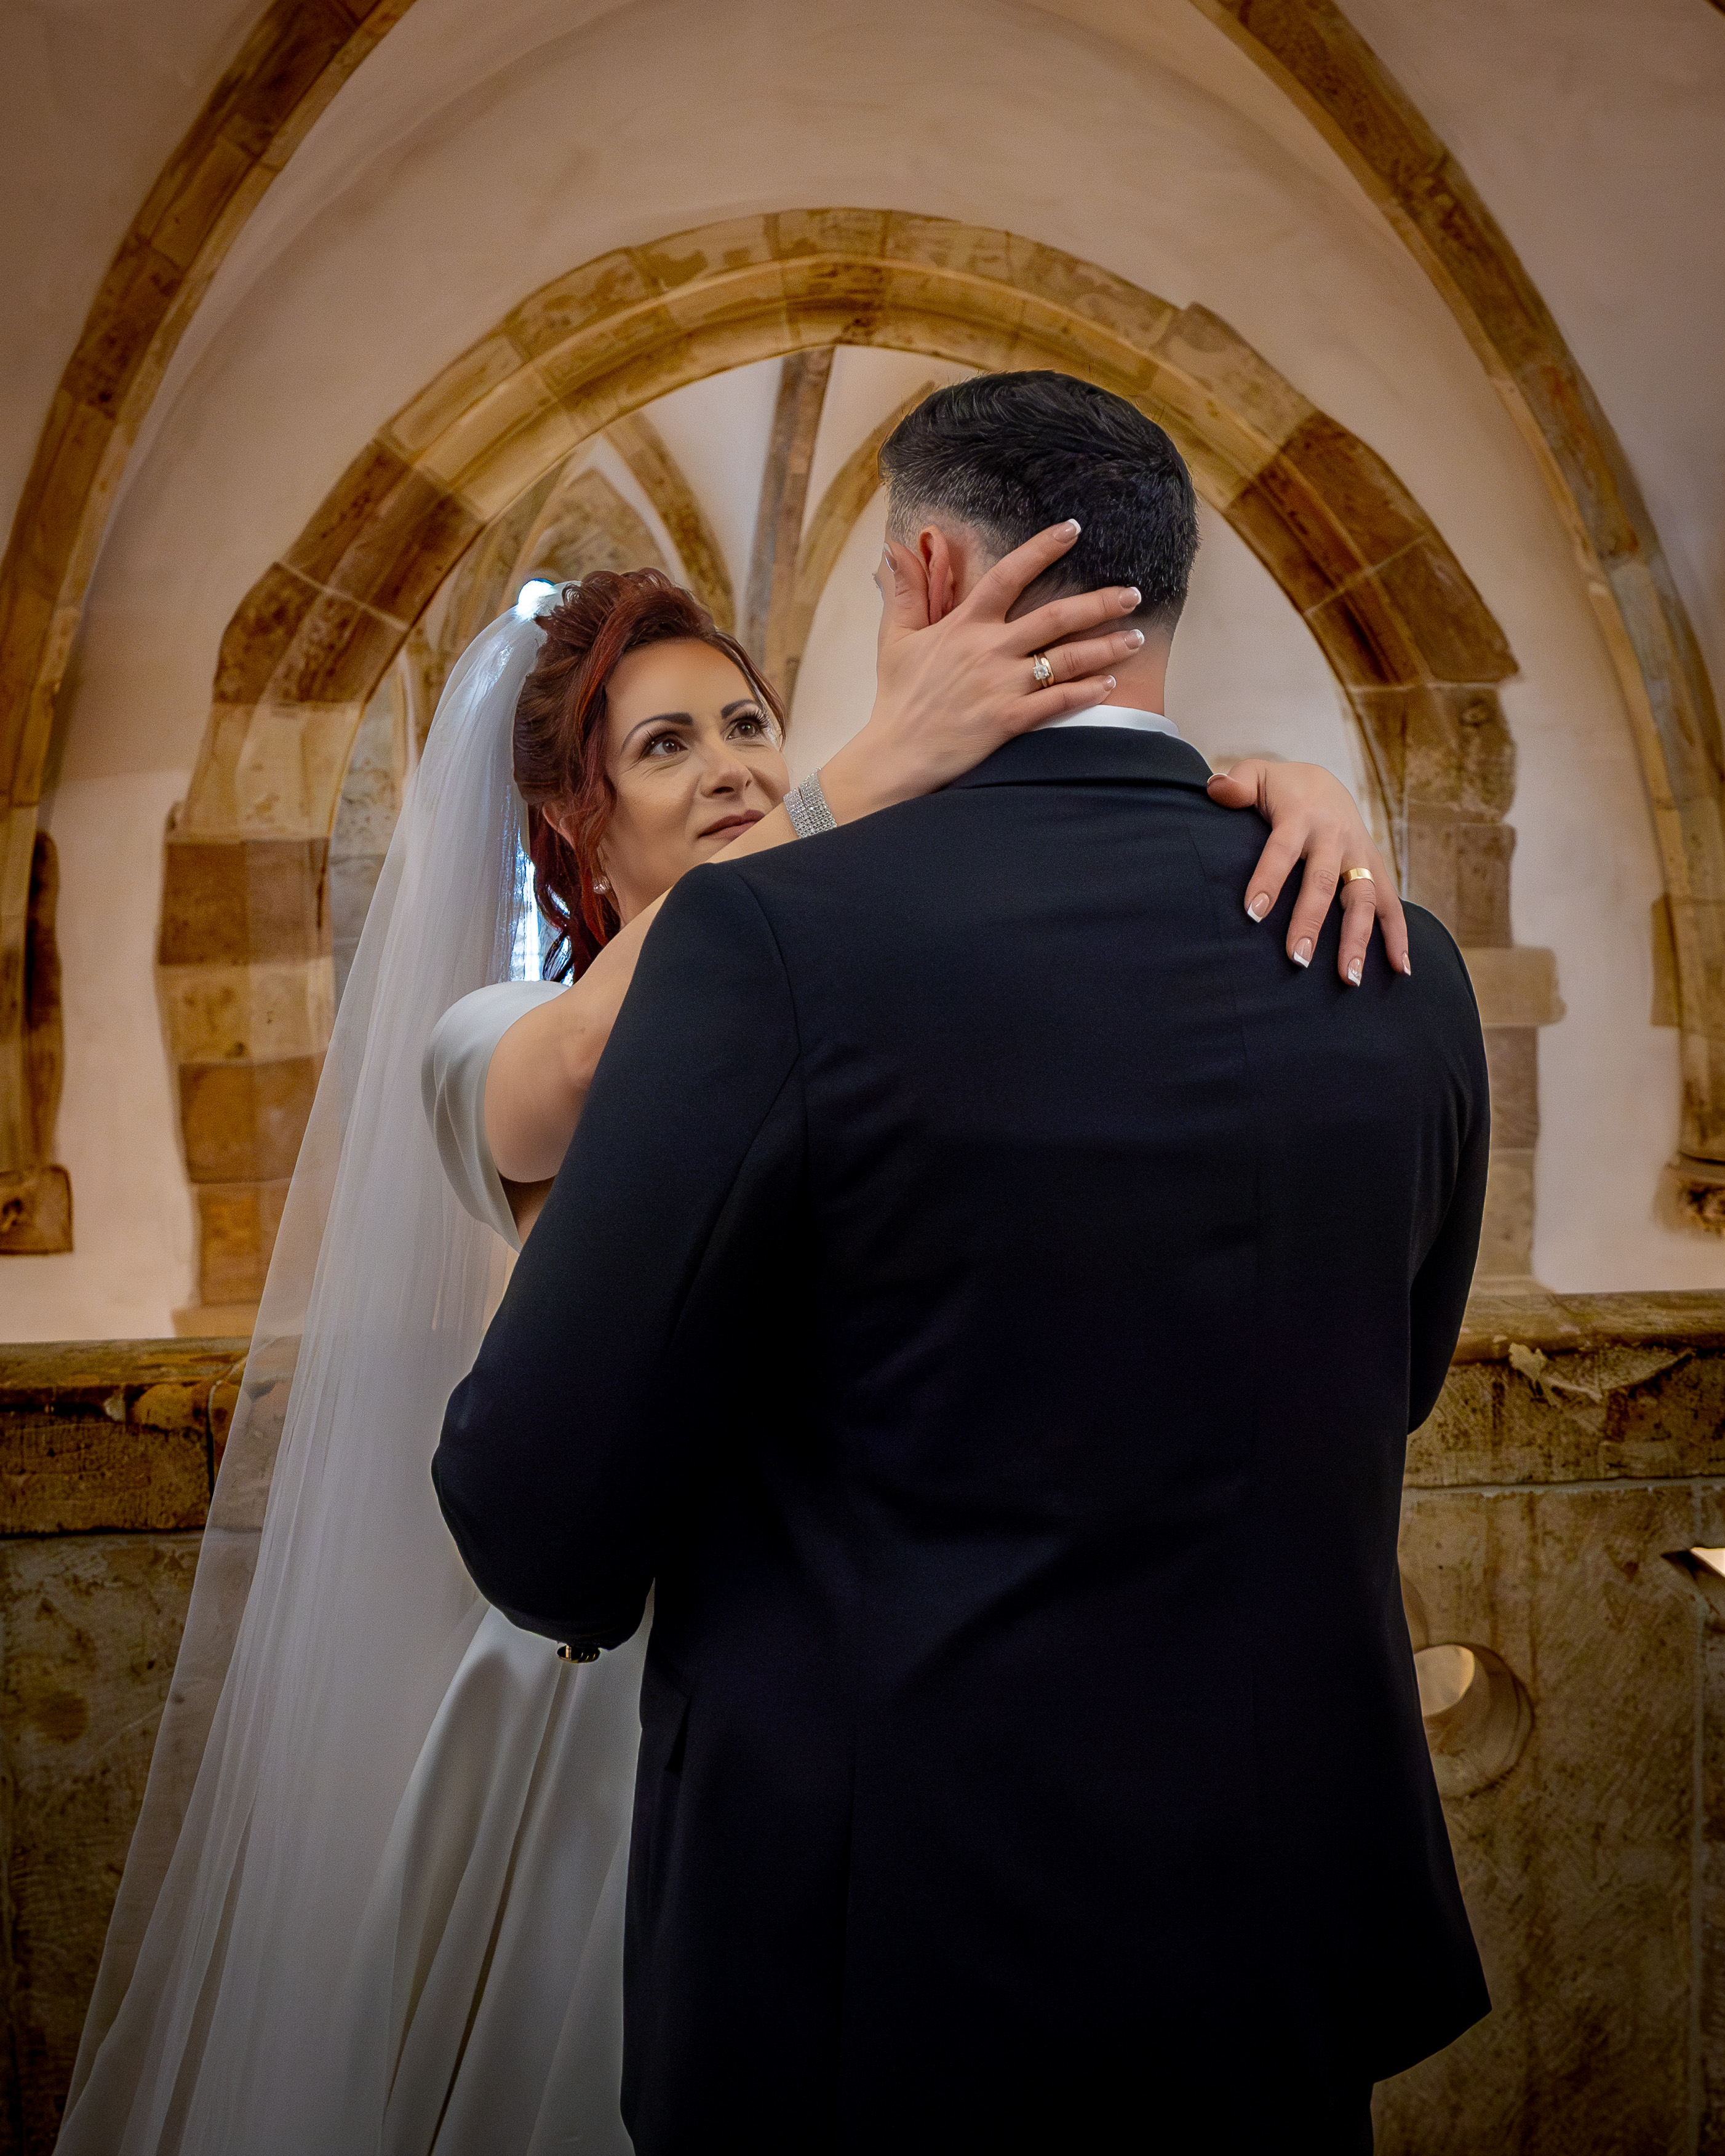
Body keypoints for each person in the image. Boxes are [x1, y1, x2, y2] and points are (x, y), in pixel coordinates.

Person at [57, 484, 1399, 2153]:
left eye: (750, 726)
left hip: (850, 1720)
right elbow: (580, 1071)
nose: (732, 769)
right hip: (603, 1703)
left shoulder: (843, 981)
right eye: (665, 746)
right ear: (576, 826)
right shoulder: (496, 1032)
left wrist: (1273, 793)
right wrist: (857, 776)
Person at [434, 373, 1491, 2156]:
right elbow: (1383, 1381)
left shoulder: (767, 949)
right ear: (1163, 592)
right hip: (1268, 1954)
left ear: (926, 575)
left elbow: (533, 1515)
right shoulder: (1393, 953)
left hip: (884, 1982)